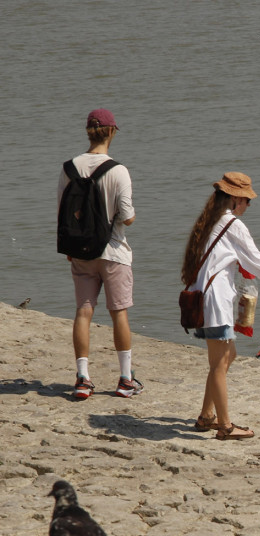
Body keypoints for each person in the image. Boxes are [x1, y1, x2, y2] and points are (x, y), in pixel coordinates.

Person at [181, 172, 260, 440]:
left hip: (206, 298)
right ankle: (225, 426)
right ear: (236, 199)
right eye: (248, 201)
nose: (248, 206)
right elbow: (255, 261)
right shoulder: (230, 224)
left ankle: (206, 417)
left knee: (228, 356)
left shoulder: (210, 221)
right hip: (214, 302)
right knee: (218, 364)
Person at [60, 109, 138, 400]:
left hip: (80, 250)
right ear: (111, 132)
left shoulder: (68, 168)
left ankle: (82, 378)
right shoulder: (118, 170)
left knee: (83, 310)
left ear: (88, 132)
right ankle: (125, 380)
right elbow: (127, 217)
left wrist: (71, 246)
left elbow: (62, 212)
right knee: (119, 313)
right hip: (114, 251)